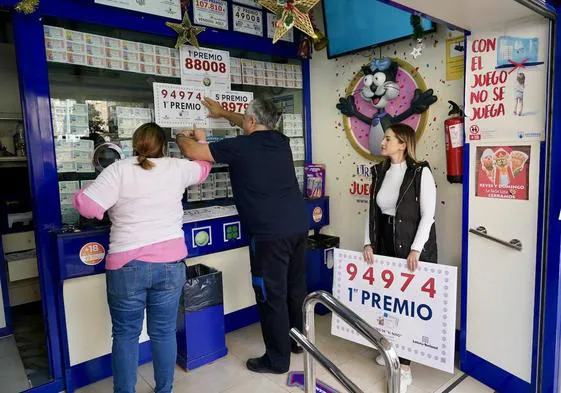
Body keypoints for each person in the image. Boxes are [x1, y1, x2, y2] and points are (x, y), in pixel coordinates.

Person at [73, 123, 211, 393]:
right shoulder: (177, 167)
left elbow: (87, 207)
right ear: (164, 145)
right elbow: (204, 167)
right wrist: (200, 140)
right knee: (163, 332)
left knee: (125, 335)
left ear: (135, 143)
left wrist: (85, 190)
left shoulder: (118, 170)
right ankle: (164, 390)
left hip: (126, 268)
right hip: (170, 267)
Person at [176, 97, 308, 375]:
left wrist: (182, 135)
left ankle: (276, 360)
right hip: (297, 225)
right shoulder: (280, 141)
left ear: (251, 122)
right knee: (294, 289)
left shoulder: (239, 147)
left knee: (270, 295)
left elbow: (192, 152)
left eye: (245, 119)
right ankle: (298, 342)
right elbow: (252, 124)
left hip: (268, 234)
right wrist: (223, 113)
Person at [362, 123, 437, 393]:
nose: (383, 142)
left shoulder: (420, 172)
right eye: (384, 138)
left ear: (403, 144)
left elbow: (428, 215)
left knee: (407, 307)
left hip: (410, 248)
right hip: (383, 243)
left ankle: (404, 368)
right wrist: (368, 242)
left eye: (388, 138)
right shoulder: (380, 171)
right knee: (387, 303)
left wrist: (416, 248)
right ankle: (389, 349)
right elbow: (372, 212)